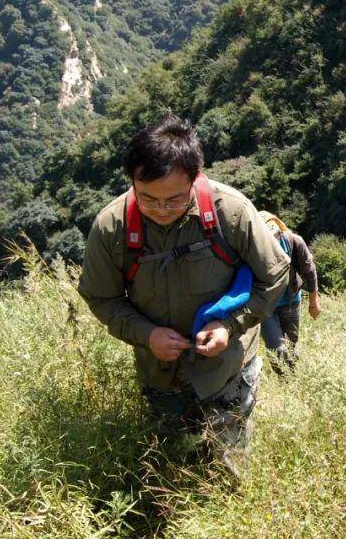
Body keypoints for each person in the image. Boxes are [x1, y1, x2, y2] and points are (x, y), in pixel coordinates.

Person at [77, 114, 290, 477]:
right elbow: (101, 298)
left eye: (174, 200)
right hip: (160, 371)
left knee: (230, 460)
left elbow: (275, 274)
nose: (161, 210)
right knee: (172, 456)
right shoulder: (112, 227)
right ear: (132, 182)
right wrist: (147, 335)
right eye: (147, 199)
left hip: (229, 367)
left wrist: (231, 325)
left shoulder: (230, 212)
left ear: (195, 179)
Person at [258, 211, 320, 373]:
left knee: (293, 344)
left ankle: (295, 377)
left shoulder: (294, 241)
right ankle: (284, 380)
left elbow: (310, 272)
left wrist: (314, 302)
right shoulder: (253, 249)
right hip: (267, 307)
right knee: (277, 348)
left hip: (292, 302)